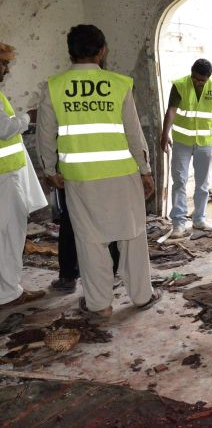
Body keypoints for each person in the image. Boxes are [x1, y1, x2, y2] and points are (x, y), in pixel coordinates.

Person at [37, 24, 159, 318]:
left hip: (81, 180)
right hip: (123, 176)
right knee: (132, 236)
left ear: (70, 52)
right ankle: (142, 296)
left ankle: (99, 304)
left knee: (90, 241)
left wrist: (50, 170)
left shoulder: (54, 86)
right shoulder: (119, 84)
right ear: (102, 50)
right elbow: (134, 134)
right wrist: (145, 170)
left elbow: (44, 135)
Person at [0, 42, 48, 308]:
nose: (6, 69)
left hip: (7, 175)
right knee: (10, 235)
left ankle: (7, 289)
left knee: (7, 235)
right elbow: (5, 129)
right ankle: (9, 293)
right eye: (3, 63)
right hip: (4, 178)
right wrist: (29, 116)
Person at [160, 59, 212, 236]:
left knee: (203, 184)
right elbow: (171, 110)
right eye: (195, 78)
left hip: (205, 143)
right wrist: (164, 133)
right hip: (182, 142)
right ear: (192, 73)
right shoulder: (180, 85)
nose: (198, 82)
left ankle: (199, 220)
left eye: (202, 80)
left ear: (208, 77)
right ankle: (178, 223)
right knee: (179, 181)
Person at [49, 187, 122, 293]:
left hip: (75, 181)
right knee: (106, 217)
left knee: (71, 217)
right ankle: (107, 279)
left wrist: (52, 176)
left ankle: (68, 277)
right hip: (105, 182)